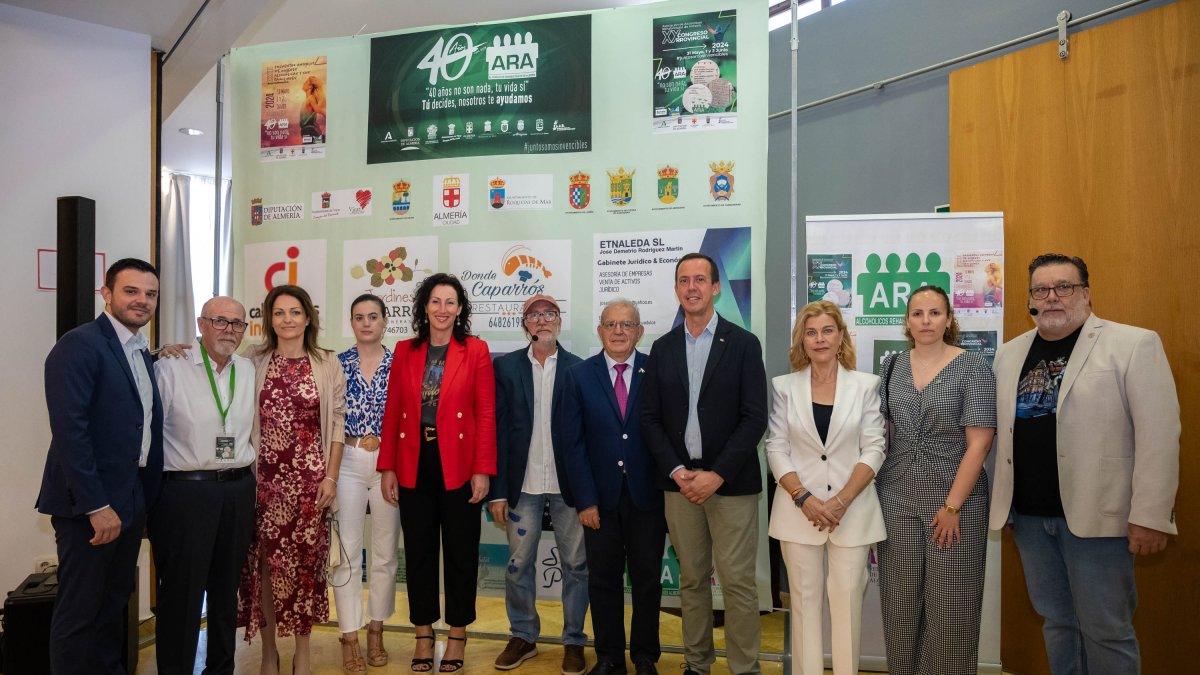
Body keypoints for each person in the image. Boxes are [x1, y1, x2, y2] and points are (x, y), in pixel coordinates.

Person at [989, 253, 1180, 674]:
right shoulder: (1009, 355)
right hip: (1031, 519)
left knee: (1106, 630)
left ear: (1087, 293)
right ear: (1030, 299)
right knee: (1057, 623)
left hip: (1102, 519)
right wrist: (1002, 503)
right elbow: (1000, 437)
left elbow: (1159, 436)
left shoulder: (1133, 344)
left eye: (1065, 287)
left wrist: (1149, 515)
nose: (1053, 297)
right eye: (1042, 289)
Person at [641, 253, 768, 675]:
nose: (692, 287)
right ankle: (697, 663)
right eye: (684, 280)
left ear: (715, 287)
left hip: (729, 484)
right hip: (679, 485)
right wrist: (678, 472)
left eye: (700, 279)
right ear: (676, 289)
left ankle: (744, 668)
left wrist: (717, 474)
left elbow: (755, 417)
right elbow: (650, 419)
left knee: (737, 585)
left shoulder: (744, 343)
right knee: (692, 582)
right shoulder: (662, 348)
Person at [36, 258, 163, 675]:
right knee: (80, 614)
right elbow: (70, 432)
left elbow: (134, 424)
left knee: (111, 610)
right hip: (90, 509)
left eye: (150, 294)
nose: (142, 301)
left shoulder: (139, 350)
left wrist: (140, 503)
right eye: (131, 291)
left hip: (127, 503)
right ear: (106, 294)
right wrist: (95, 506)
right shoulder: (79, 344)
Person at [874, 284, 996, 675]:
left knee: (951, 606)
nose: (926, 321)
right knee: (900, 602)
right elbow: (883, 432)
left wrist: (952, 506)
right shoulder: (891, 365)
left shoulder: (974, 367)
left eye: (935, 313)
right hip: (895, 495)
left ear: (949, 319)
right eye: (917, 313)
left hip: (954, 501)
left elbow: (979, 444)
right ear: (907, 321)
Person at [379, 273, 496, 674]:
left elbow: (485, 413)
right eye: (435, 301)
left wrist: (483, 469)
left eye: (450, 302)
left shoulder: (476, 350)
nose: (442, 309)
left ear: (460, 309)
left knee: (462, 553)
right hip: (414, 461)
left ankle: (458, 633)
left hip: (460, 464)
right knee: (420, 552)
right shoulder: (405, 350)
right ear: (424, 307)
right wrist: (388, 466)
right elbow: (393, 410)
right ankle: (424, 633)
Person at [765, 301, 886, 675]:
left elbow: (875, 446)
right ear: (802, 339)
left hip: (851, 512)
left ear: (841, 337)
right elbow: (776, 447)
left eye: (827, 331)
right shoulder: (784, 386)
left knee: (848, 603)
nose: (819, 339)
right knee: (803, 605)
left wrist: (840, 501)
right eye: (811, 332)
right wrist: (804, 499)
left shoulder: (866, 385)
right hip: (798, 511)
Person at [237, 284, 346, 675]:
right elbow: (214, 371)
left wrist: (330, 477)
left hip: (310, 484)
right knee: (265, 568)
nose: (287, 320)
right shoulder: (252, 359)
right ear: (269, 319)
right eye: (279, 312)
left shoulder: (327, 362)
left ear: (308, 317)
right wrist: (172, 352)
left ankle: (302, 653)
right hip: (264, 482)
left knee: (304, 568)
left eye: (295, 312)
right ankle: (269, 653)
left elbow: (337, 426)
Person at [558, 299, 666, 675]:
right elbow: (570, 444)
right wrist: (584, 499)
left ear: (639, 331)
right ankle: (608, 656)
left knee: (648, 580)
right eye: (611, 324)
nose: (619, 331)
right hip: (598, 501)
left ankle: (645, 656)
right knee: (602, 581)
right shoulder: (578, 376)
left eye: (627, 324)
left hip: (647, 497)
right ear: (600, 330)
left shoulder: (657, 371)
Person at [149, 296, 256, 675]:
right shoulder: (170, 367)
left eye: (237, 323)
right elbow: (145, 431)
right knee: (182, 595)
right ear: (201, 323)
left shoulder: (247, 369)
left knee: (227, 594)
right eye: (219, 321)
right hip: (186, 494)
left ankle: (221, 669)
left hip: (238, 491)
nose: (229, 330)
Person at [489, 294, 588, 675]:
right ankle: (524, 635)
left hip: (568, 487)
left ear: (559, 320)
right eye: (535, 315)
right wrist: (497, 489)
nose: (543, 320)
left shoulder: (579, 369)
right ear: (525, 323)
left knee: (577, 565)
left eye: (550, 314)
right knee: (517, 564)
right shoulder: (506, 368)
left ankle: (574, 641)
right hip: (522, 485)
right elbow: (496, 432)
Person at [332, 294, 402, 674]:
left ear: (385, 320)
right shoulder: (336, 363)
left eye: (373, 316)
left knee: (385, 552)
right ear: (352, 322)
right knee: (346, 552)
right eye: (358, 317)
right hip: (348, 461)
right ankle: (349, 635)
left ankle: (377, 628)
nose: (366, 323)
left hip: (389, 464)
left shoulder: (400, 363)